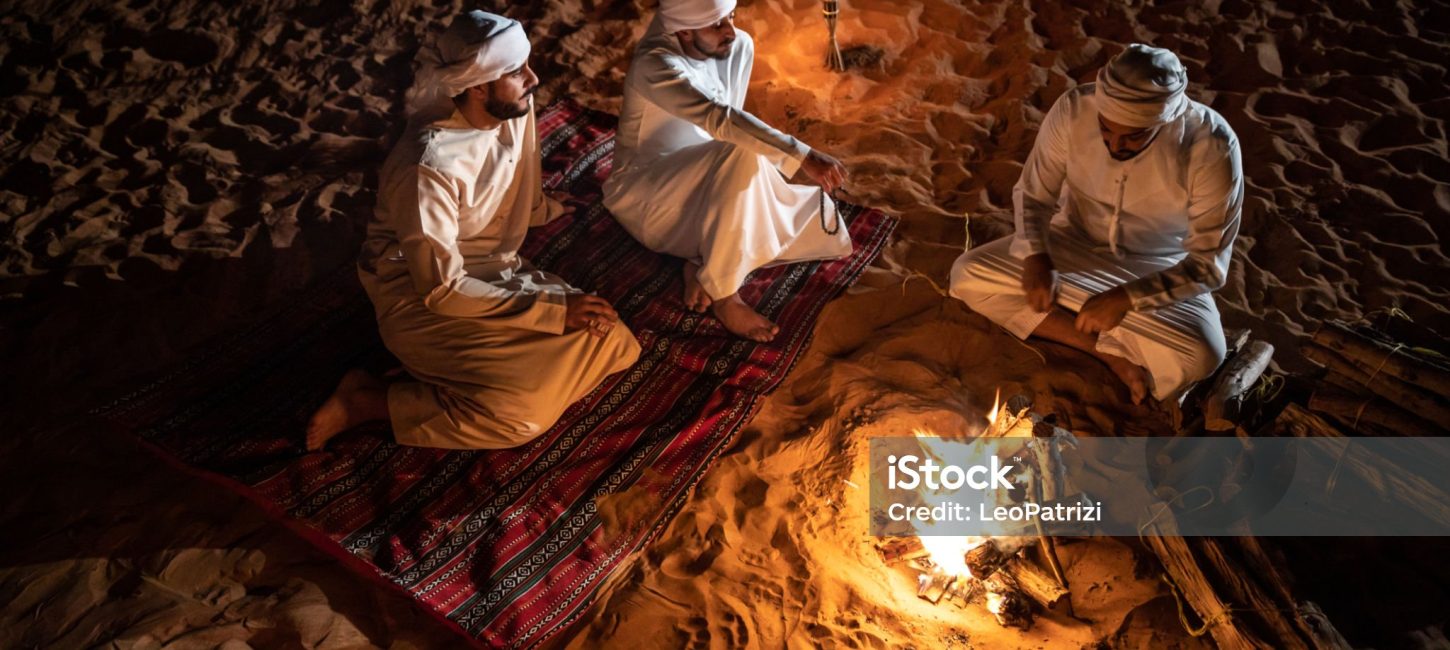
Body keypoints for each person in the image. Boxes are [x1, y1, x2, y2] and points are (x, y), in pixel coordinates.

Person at [306, 10, 640, 450]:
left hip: (494, 273)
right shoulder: (427, 165)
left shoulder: (515, 105)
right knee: (520, 418)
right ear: (478, 85)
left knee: (615, 344)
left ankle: (470, 375)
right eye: (517, 72)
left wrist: (548, 208)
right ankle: (370, 401)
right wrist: (554, 314)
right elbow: (442, 289)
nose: (534, 79)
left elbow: (520, 182)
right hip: (422, 297)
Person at [950, 44, 1243, 404]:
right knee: (967, 275)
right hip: (1072, 243)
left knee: (1202, 354)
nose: (1114, 144)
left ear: (1162, 120)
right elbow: (1033, 194)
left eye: (1133, 136)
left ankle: (1090, 321)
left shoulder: (1211, 145)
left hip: (1155, 266)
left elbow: (1209, 266)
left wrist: (1127, 298)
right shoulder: (1074, 110)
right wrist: (1036, 255)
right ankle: (1105, 351)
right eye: (1106, 130)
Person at [602, 0, 853, 342]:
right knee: (741, 151)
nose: (729, 31)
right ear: (685, 30)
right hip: (646, 196)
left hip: (704, 177)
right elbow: (719, 119)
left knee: (741, 139)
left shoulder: (734, 45)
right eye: (717, 24)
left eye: (730, 18)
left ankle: (702, 258)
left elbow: (729, 122)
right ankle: (723, 293)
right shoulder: (655, 63)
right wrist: (803, 155)